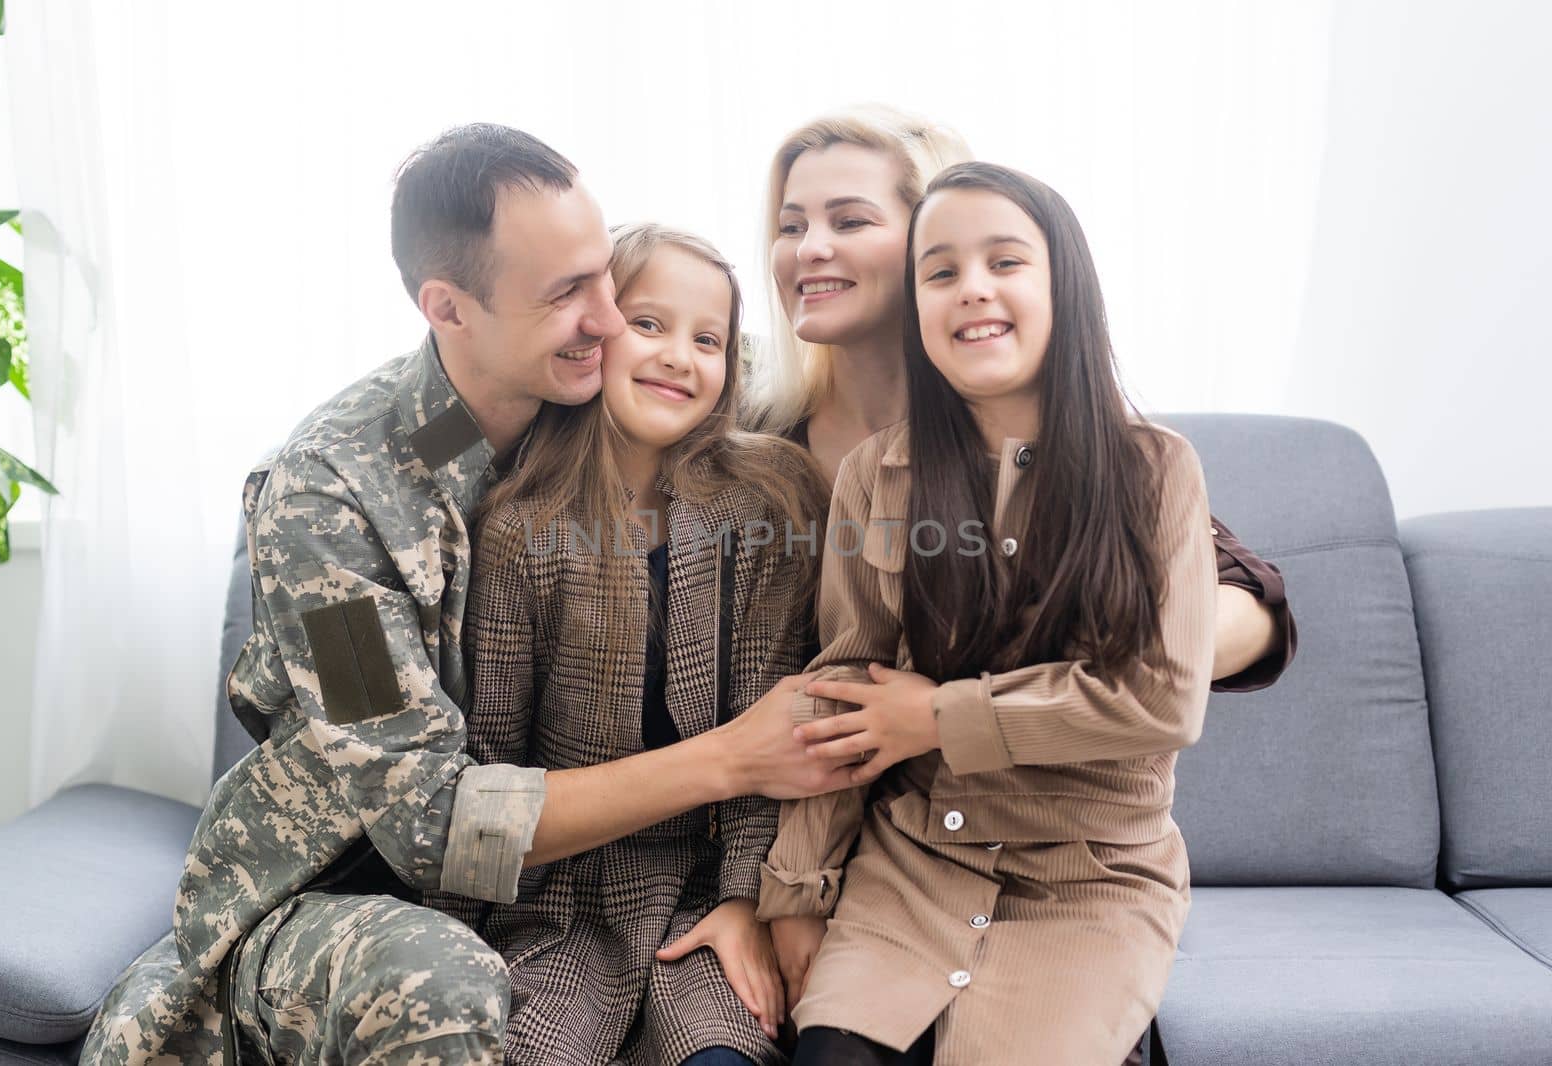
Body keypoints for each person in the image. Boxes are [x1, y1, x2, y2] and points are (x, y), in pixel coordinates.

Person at [83, 125, 851, 1066]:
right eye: (569, 293)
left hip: (583, 897)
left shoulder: (570, 411)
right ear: (449, 308)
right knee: (446, 982)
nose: (610, 320)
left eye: (603, 276)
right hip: (339, 894)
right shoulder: (331, 511)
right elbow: (437, 827)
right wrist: (735, 757)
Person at [757, 161, 1221, 1064]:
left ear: (1064, 287)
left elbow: (1162, 701)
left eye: (1005, 262)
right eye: (940, 272)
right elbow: (843, 688)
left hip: (1091, 882)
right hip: (914, 869)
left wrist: (935, 715)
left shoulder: (1157, 471)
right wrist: (797, 894)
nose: (971, 289)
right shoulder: (875, 476)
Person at [442, 223, 828, 1065]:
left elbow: (777, 737)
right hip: (564, 900)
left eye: (709, 340)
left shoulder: (764, 506)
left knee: (727, 1051)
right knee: (532, 1050)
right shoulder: (518, 531)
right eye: (649, 325)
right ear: (595, 333)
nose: (679, 358)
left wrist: (743, 900)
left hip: (707, 885)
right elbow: (493, 775)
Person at [747, 105, 1293, 691]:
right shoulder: (748, 431)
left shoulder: (1032, 431)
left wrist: (1081, 682)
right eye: (792, 226)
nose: (808, 250)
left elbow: (1257, 614)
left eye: (850, 222)